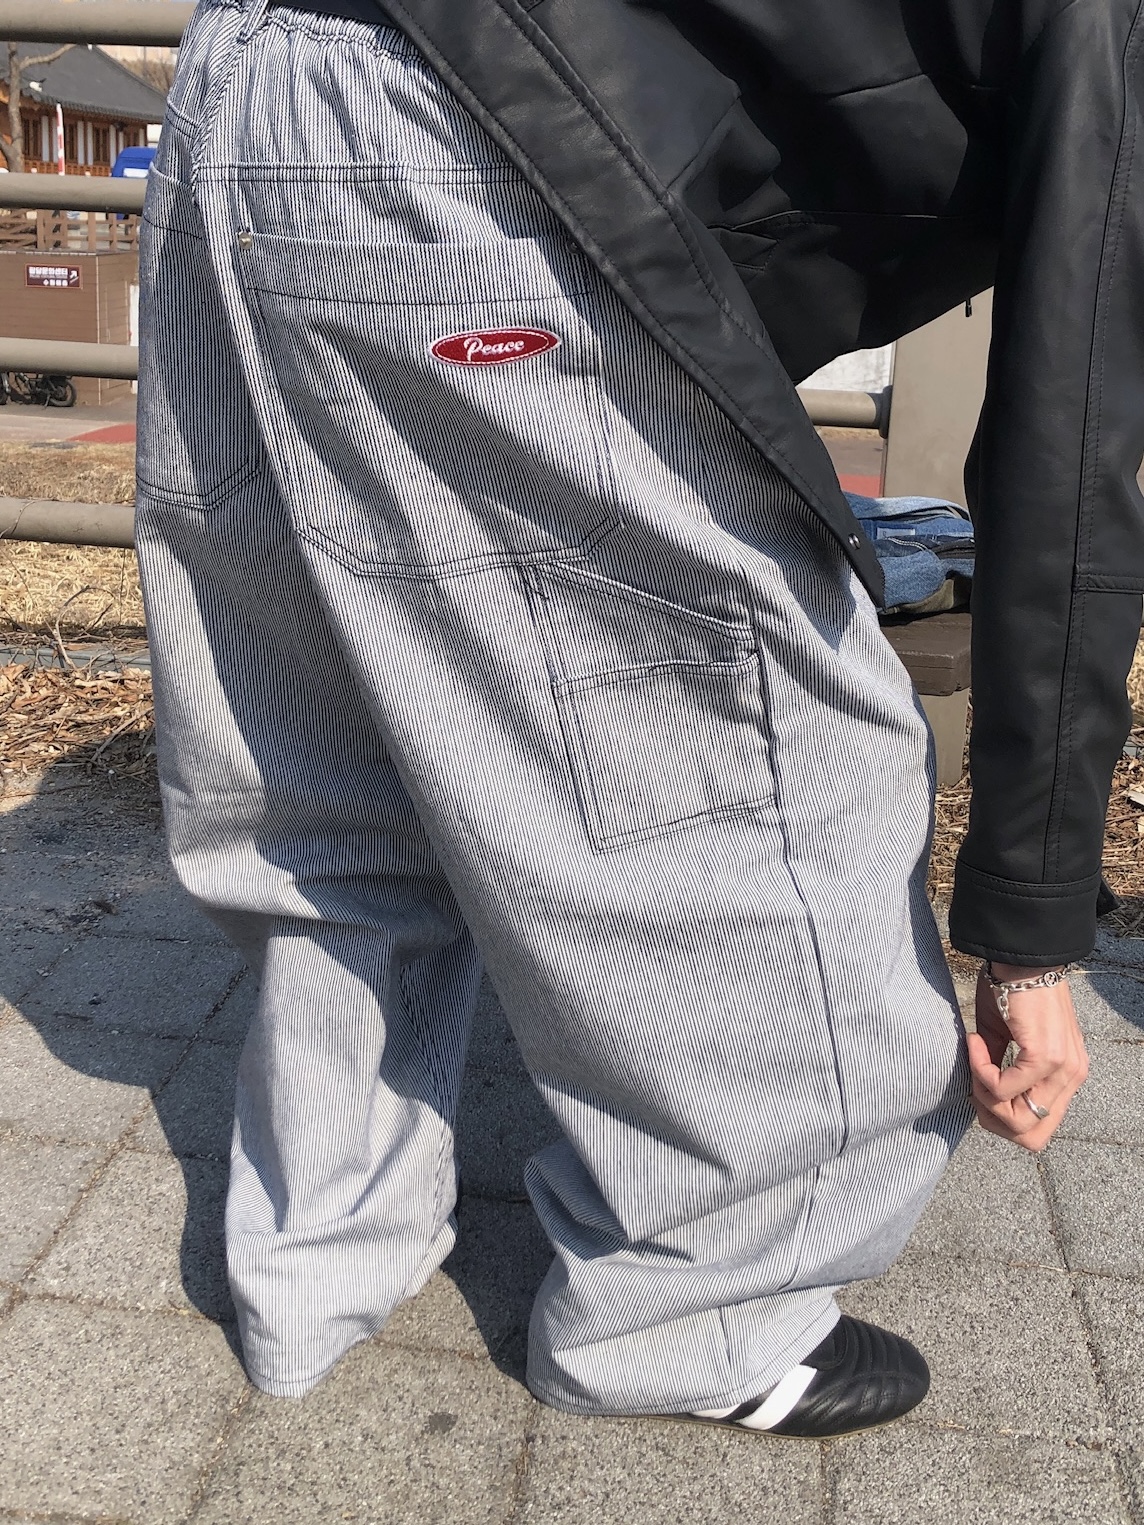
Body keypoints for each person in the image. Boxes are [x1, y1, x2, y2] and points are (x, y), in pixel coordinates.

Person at [134, 0, 1129, 1435]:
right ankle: (690, 1320)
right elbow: (1072, 451)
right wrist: (1031, 934)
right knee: (785, 764)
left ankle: (315, 1263)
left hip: (247, 79)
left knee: (329, 753)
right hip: (457, 151)